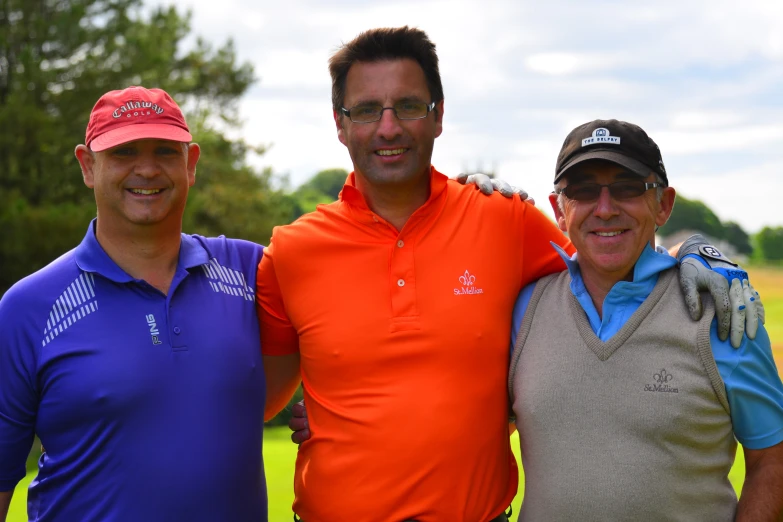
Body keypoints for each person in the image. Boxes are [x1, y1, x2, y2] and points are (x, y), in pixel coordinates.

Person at [257, 27, 758, 522]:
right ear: (340, 124)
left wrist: (697, 251)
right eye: (366, 110)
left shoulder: (503, 219)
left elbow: (611, 247)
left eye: (408, 106)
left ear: (438, 116)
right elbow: (258, 399)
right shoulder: (292, 250)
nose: (388, 128)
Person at [0, 87, 267, 522]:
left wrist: (328, 406)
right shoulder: (28, 307)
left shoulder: (251, 270)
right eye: (123, 152)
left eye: (165, 150)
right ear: (88, 166)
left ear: (191, 163)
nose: (147, 169)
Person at [508, 119, 783, 521]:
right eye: (583, 190)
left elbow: (772, 460)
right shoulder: (524, 310)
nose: (605, 208)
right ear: (559, 210)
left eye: (628, 187)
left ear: (663, 204)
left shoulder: (721, 310)